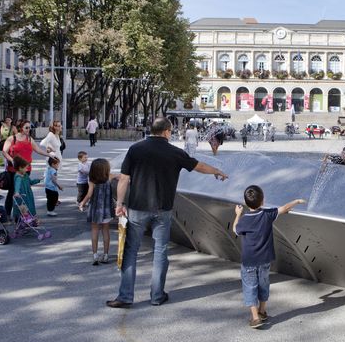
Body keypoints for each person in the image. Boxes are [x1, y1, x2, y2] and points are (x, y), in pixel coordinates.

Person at [107, 117, 228, 309]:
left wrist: (119, 203)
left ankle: (125, 296)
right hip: (163, 209)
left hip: (137, 208)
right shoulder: (174, 152)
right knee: (160, 251)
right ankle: (157, 295)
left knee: (131, 251)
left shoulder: (135, 149)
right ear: (166, 132)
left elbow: (123, 179)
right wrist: (218, 171)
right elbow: (198, 166)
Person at [232, 185, 305, 328]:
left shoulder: (245, 220)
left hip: (249, 262)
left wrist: (238, 214)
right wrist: (296, 201)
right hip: (265, 259)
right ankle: (262, 311)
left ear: (246, 203)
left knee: (250, 286)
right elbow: (284, 208)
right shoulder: (267, 215)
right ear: (263, 201)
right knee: (263, 284)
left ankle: (255, 318)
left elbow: (235, 229)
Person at [2, 119, 53, 219]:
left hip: (26, 169)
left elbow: (37, 150)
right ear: (21, 128)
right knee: (13, 191)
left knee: (24, 193)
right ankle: (7, 214)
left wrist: (49, 155)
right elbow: (4, 151)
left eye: (30, 127)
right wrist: (12, 160)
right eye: (26, 127)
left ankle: (23, 216)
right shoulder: (12, 139)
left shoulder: (29, 139)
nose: (28, 129)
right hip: (14, 170)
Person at [78, 158, 119, 265]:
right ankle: (105, 255)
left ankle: (95, 255)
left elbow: (89, 194)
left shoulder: (92, 180)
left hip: (95, 209)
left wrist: (82, 203)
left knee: (94, 230)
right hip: (106, 209)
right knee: (106, 230)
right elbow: (121, 176)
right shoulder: (109, 177)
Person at [11, 155, 41, 220]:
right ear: (20, 168)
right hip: (21, 196)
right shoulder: (18, 177)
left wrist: (38, 180)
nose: (27, 169)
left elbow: (30, 182)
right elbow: (17, 185)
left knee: (28, 208)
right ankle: (22, 221)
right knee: (23, 209)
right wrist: (16, 192)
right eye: (25, 168)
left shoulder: (25, 175)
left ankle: (28, 220)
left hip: (27, 195)